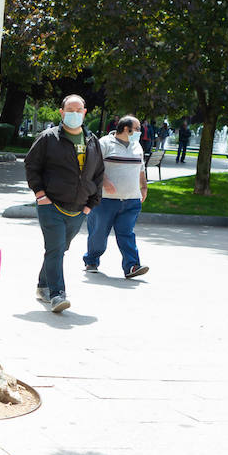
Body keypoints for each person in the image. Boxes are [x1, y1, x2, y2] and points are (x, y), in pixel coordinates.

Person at [24, 94, 105, 314]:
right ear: (61, 112)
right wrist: (41, 195)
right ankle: (57, 294)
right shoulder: (48, 138)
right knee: (56, 248)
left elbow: (98, 174)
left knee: (58, 249)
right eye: (70, 110)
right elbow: (31, 166)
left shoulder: (92, 141)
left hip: (78, 208)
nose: (74, 114)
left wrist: (90, 205)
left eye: (79, 110)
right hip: (51, 206)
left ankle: (43, 285)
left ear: (85, 112)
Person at [84, 115, 149, 279]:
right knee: (98, 234)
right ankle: (91, 260)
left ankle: (132, 266)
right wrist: (105, 181)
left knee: (127, 233)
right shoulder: (104, 143)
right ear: (126, 129)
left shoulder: (137, 146)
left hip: (131, 199)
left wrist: (144, 186)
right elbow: (92, 166)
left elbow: (141, 168)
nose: (140, 132)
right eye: (138, 129)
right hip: (105, 200)